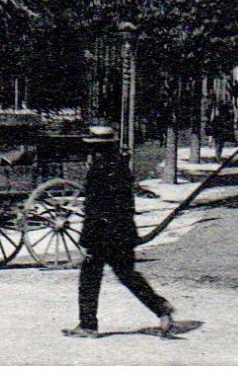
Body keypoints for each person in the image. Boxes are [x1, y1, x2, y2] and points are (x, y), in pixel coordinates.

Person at [64, 125, 177, 339]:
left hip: (102, 233)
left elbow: (97, 208)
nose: (90, 151)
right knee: (127, 275)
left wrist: (88, 237)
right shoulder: (120, 166)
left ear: (98, 148)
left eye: (93, 147)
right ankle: (161, 307)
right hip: (122, 231)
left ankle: (88, 325)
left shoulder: (100, 169)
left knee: (89, 277)